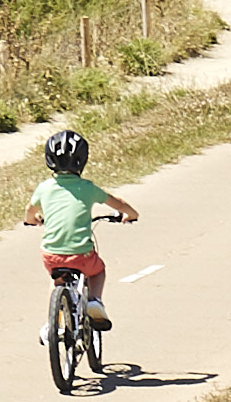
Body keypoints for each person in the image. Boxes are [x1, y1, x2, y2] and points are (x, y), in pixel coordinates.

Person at [17, 125, 139, 340]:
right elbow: (116, 203)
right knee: (98, 270)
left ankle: (52, 324)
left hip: (51, 255)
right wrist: (130, 213)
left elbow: (30, 211)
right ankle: (94, 301)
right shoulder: (87, 187)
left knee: (57, 280)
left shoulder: (44, 187)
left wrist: (33, 220)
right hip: (81, 254)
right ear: (82, 160)